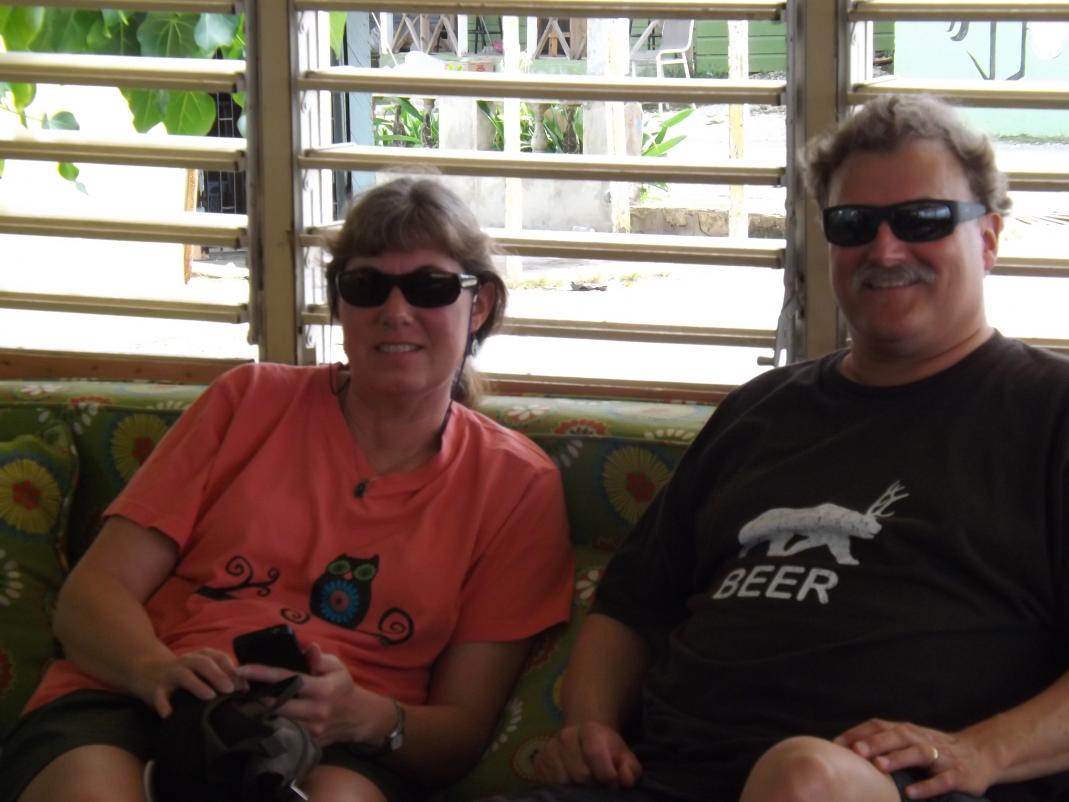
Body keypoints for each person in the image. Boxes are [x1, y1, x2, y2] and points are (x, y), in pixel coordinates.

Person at [520, 94, 1069, 802]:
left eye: (922, 220)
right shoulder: (759, 410)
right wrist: (590, 725)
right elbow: (631, 606)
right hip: (666, 778)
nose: (885, 250)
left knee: (802, 778)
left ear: (988, 238)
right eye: (853, 224)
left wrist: (979, 752)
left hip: (906, 786)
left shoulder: (1050, 412)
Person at [0, 176, 574, 802]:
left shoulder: (517, 484)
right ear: (338, 303)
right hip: (140, 699)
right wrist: (155, 668)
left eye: (429, 287)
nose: (395, 311)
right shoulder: (248, 401)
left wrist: (366, 716)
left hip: (343, 746)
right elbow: (92, 597)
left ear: (479, 305)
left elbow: (460, 732)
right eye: (366, 286)